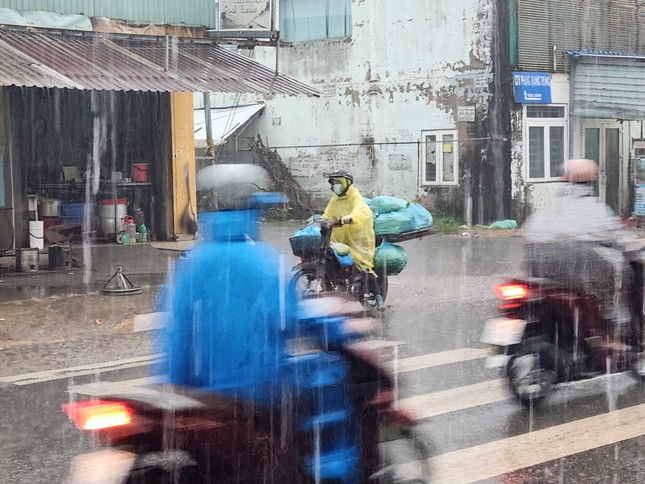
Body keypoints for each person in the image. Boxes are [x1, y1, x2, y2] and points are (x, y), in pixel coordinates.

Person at [522, 158, 636, 375]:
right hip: (575, 270)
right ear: (589, 181)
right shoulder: (591, 206)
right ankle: (611, 336)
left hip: (540, 268)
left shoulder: (552, 205)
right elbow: (618, 237)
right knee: (621, 274)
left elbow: (530, 232)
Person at [321, 169, 384, 309]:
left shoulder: (355, 197)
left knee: (363, 266)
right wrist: (321, 220)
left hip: (359, 239)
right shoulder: (335, 200)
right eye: (333, 182)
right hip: (341, 238)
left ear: (346, 183)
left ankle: (379, 299)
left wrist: (346, 219)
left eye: (338, 182)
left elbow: (360, 213)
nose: (335, 185)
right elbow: (327, 214)